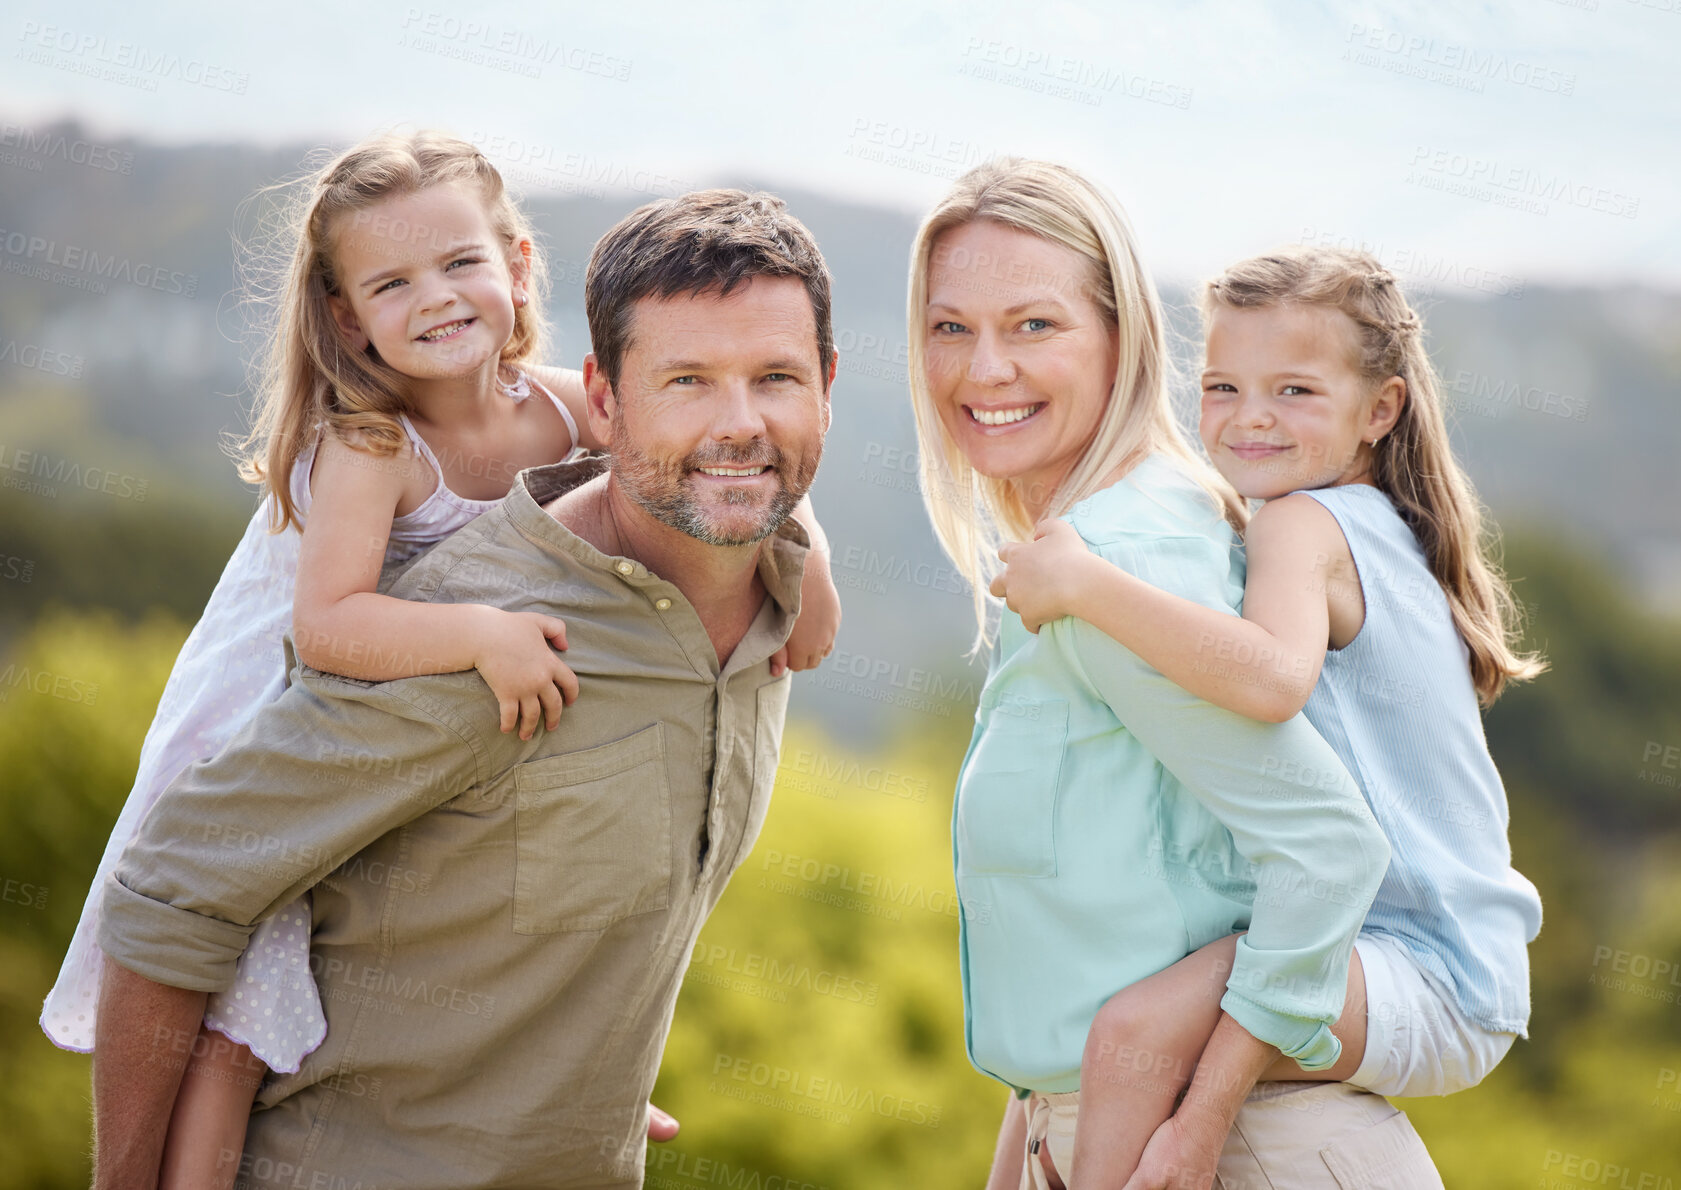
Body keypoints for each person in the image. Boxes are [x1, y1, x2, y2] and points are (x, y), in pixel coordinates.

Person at [82, 179, 837, 1190]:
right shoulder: (485, 637)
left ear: (828, 381)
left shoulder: (774, 604)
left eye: (776, 377)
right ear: (604, 402)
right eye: (688, 381)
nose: (738, 424)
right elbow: (171, 887)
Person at [906, 158, 1443, 1188]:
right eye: (949, 326)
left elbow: (1327, 846)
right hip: (1103, 1132)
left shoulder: (1121, 562)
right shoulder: (1086, 549)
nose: (983, 369)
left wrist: (1201, 1118)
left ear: (1122, 337)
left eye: (1032, 325)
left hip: (1242, 1153)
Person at [991, 243, 1545, 1185]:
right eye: (1220, 387)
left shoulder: (1303, 523)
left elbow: (1267, 680)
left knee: (1133, 1034)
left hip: (1425, 962)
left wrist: (1084, 584)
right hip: (1442, 963)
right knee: (1094, 1037)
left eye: (1292, 391)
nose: (1249, 418)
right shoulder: (1367, 523)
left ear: (1380, 410)